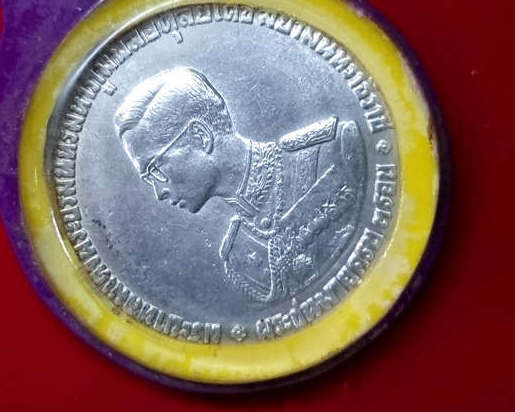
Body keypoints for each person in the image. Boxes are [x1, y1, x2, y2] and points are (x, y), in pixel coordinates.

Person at [115, 67, 365, 303]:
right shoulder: (238, 256)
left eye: (156, 169)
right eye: (148, 177)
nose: (159, 193)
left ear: (200, 137)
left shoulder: (335, 150)